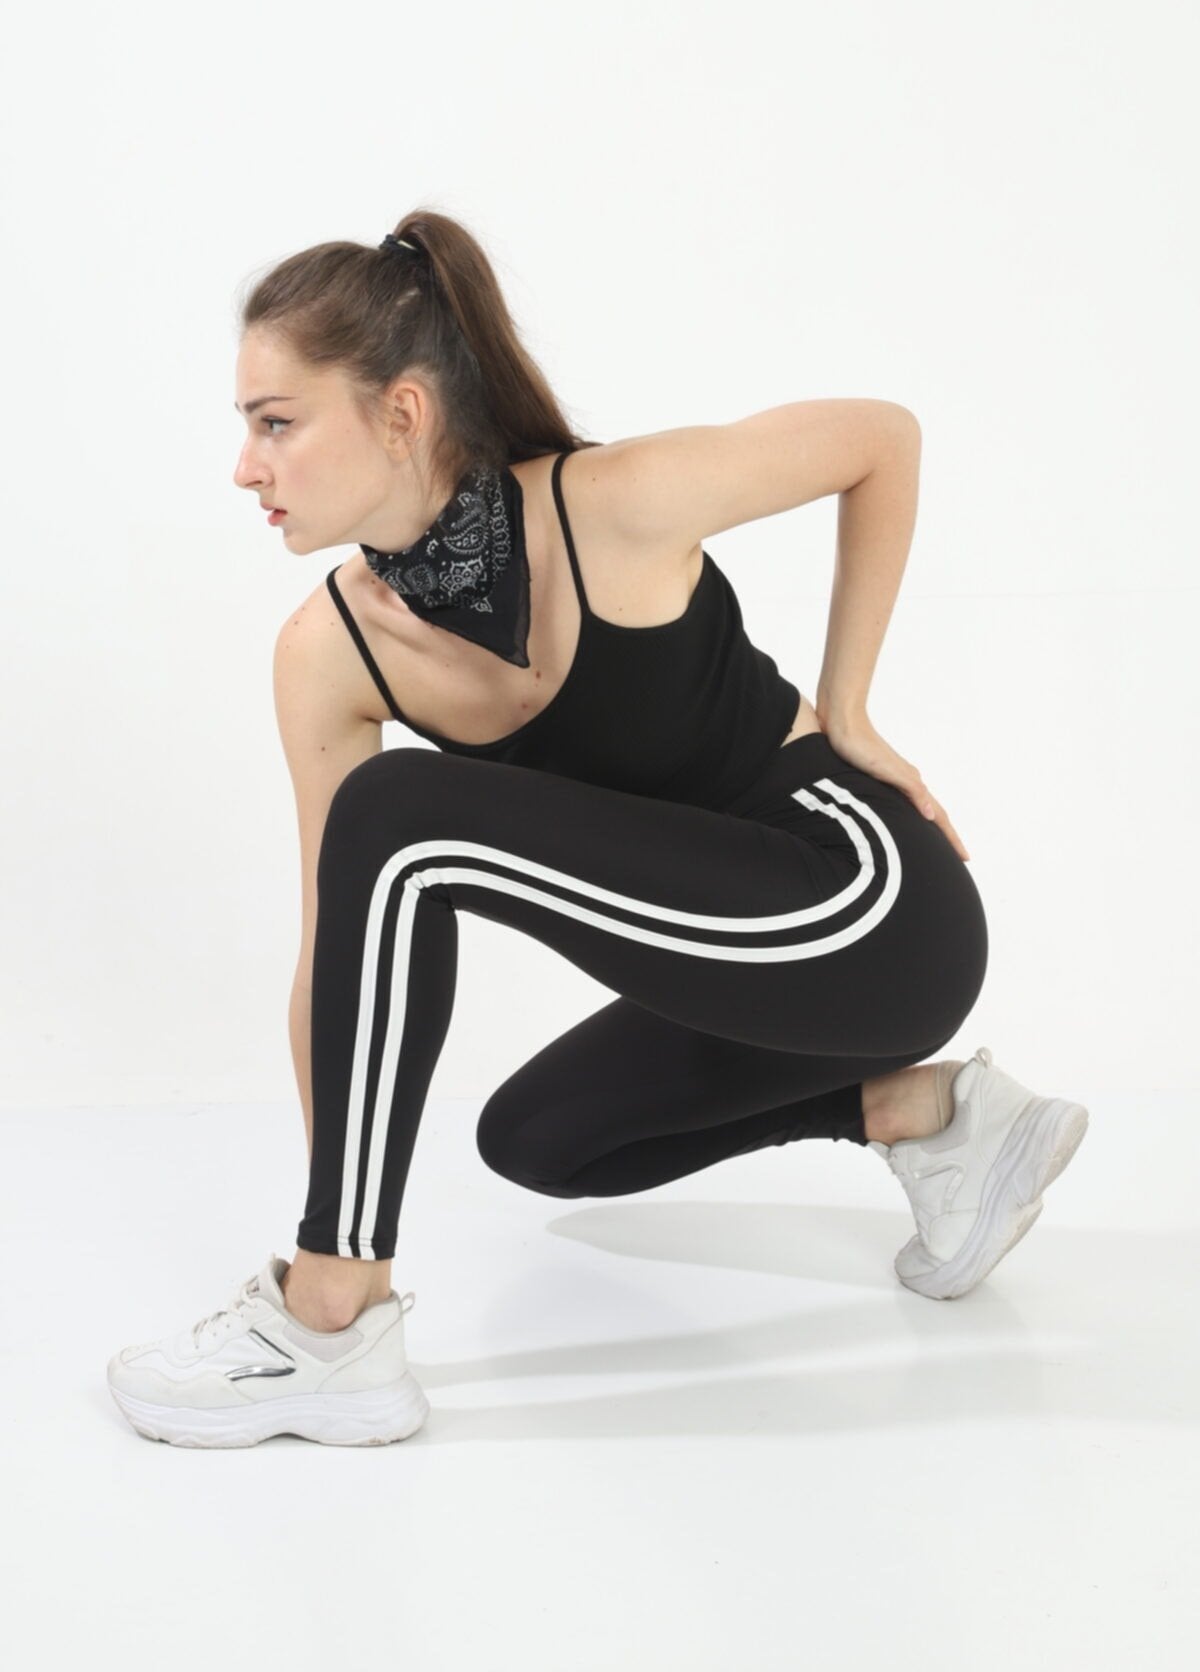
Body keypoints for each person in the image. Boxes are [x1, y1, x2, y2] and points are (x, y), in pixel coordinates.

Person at [106, 209, 1088, 1448]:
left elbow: (880, 440)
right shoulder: (329, 653)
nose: (246, 468)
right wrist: (340, 1163)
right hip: (737, 963)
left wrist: (849, 705)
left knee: (398, 812)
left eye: (276, 423)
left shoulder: (610, 505)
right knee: (544, 1139)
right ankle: (940, 1120)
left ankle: (329, 1316)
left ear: (400, 415)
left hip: (868, 904)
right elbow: (346, 947)